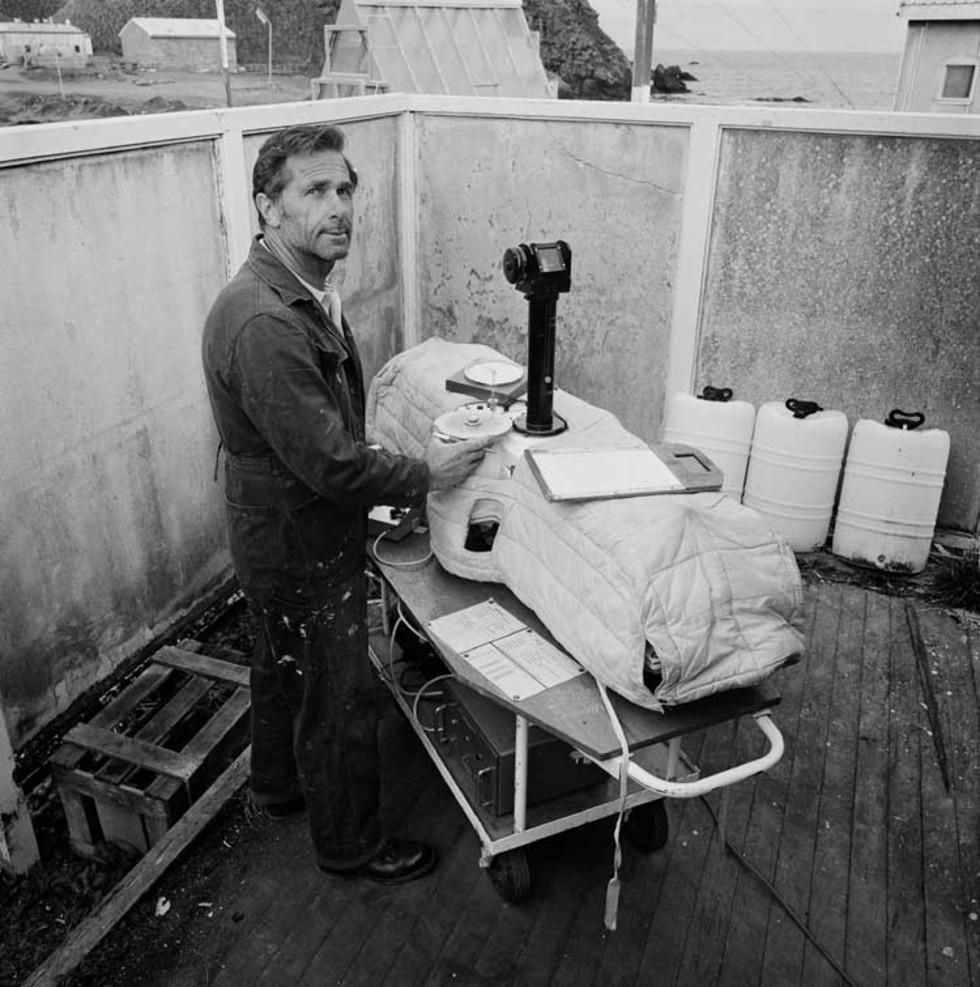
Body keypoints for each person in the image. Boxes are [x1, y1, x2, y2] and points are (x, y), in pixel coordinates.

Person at [201, 123, 493, 885]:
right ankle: (351, 844)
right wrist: (423, 474)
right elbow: (331, 461)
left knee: (280, 663)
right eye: (315, 191)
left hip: (277, 526)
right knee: (336, 691)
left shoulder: (292, 291)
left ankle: (279, 788)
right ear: (268, 206)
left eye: (345, 189)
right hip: (299, 539)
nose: (340, 207)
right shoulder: (267, 320)